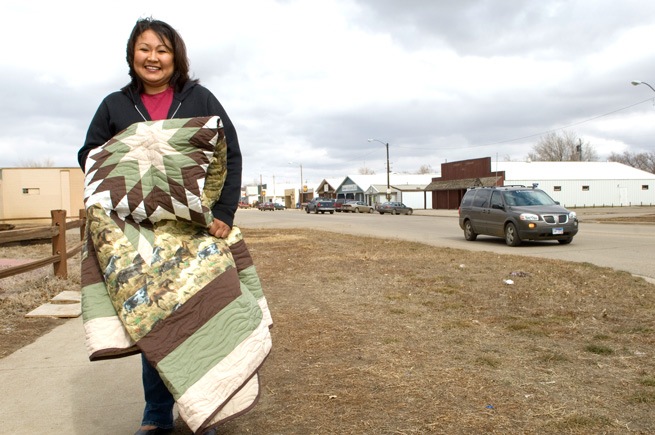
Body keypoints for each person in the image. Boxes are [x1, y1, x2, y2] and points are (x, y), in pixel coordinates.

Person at [78, 17, 242, 435]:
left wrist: (223, 212)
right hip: (140, 234)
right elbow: (90, 158)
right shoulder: (114, 105)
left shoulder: (199, 98)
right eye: (145, 49)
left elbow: (229, 152)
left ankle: (206, 406)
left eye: (162, 50)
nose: (153, 57)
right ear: (133, 55)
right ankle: (156, 415)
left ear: (176, 57)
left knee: (205, 313)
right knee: (155, 324)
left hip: (193, 229)